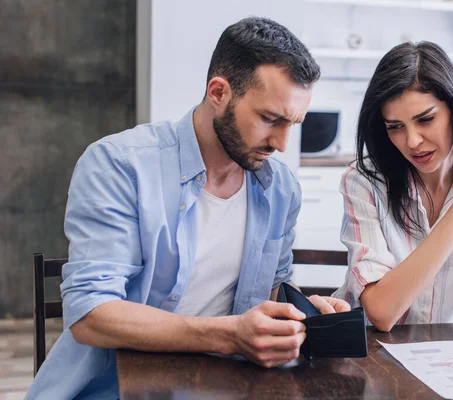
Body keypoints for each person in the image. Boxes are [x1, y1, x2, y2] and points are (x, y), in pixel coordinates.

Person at [26, 17, 349, 400]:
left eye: (292, 123)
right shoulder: (119, 165)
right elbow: (90, 314)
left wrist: (298, 316)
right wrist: (230, 335)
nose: (281, 142)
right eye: (269, 119)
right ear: (218, 92)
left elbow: (267, 296)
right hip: (113, 389)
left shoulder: (280, 188)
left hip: (227, 386)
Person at [332, 41, 453, 332]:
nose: (412, 141)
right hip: (370, 355)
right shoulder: (365, 182)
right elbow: (382, 313)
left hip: (445, 359)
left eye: (425, 120)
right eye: (395, 126)